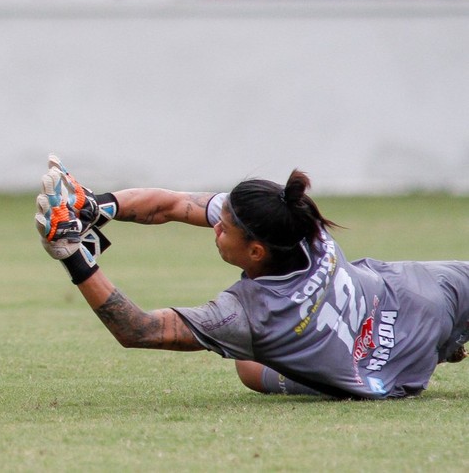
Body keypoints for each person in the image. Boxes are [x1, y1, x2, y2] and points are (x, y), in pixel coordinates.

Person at [33, 155, 469, 399]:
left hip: (387, 369)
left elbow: (139, 330)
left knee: (249, 365)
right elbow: (173, 205)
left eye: (223, 228)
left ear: (256, 251)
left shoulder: (250, 316)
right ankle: (439, 342)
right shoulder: (298, 223)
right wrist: (96, 206)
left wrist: (74, 256)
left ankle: (433, 348)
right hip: (425, 293)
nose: (215, 229)